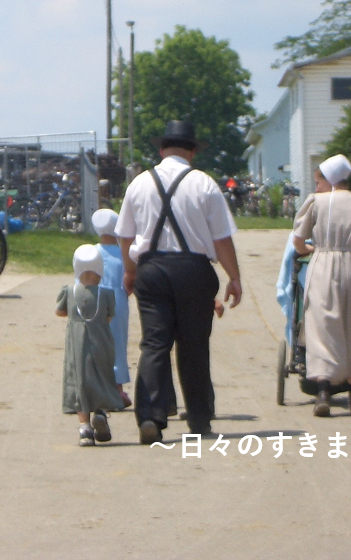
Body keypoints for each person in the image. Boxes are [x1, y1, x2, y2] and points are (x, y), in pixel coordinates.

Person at [115, 120, 242, 444]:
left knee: (154, 343)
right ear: (192, 151)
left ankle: (151, 417)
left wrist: (130, 271)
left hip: (152, 269)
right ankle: (199, 418)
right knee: (194, 346)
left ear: (161, 150)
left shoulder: (140, 183)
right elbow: (222, 238)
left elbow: (125, 235)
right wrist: (234, 277)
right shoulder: (204, 184)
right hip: (194, 269)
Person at [292, 154, 351, 417]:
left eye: (318, 180)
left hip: (323, 262)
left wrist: (312, 249)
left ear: (329, 179)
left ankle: (323, 389)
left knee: (323, 324)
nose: (316, 186)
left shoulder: (317, 202)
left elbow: (298, 240)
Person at [56, 244, 127, 446]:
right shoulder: (106, 293)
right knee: (102, 375)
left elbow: (60, 312)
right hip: (101, 340)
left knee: (79, 379)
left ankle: (84, 427)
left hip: (77, 343)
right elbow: (109, 316)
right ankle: (101, 414)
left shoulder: (69, 291)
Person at [91, 208, 132, 407]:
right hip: (118, 301)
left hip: (95, 301)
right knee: (118, 343)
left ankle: (98, 388)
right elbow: (129, 281)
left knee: (97, 343)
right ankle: (117, 389)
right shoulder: (124, 254)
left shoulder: (91, 253)